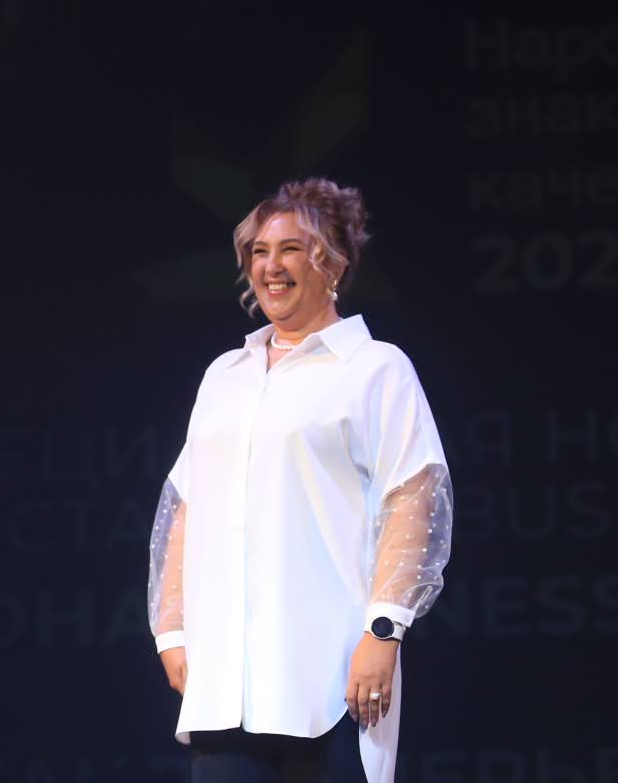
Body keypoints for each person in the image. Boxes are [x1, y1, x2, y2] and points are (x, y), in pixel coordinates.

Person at [149, 178, 452, 783]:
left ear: (332, 264)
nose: (271, 266)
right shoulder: (225, 375)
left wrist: (383, 630)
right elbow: (186, 506)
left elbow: (414, 498)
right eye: (258, 252)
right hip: (224, 685)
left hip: (330, 677)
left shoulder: (375, 368)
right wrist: (172, 629)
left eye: (290, 249)